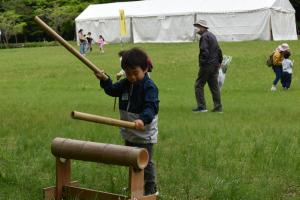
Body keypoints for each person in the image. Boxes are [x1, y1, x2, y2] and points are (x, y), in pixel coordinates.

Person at [94, 48, 159, 195]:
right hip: (129, 131)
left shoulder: (149, 87)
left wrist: (142, 119)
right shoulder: (126, 83)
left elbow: (151, 107)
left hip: (144, 133)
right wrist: (104, 79)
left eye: (135, 73)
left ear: (145, 68)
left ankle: (150, 190)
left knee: (145, 163)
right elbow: (112, 90)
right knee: (131, 160)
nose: (132, 77)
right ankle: (135, 187)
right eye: (128, 74)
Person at [193, 19, 223, 113]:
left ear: (202, 28)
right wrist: (219, 62)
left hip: (207, 65)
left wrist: (202, 63)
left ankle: (202, 107)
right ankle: (218, 107)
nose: (197, 29)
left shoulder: (204, 37)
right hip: (215, 65)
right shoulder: (212, 36)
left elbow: (204, 51)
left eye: (198, 27)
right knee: (214, 87)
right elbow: (219, 50)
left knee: (198, 85)